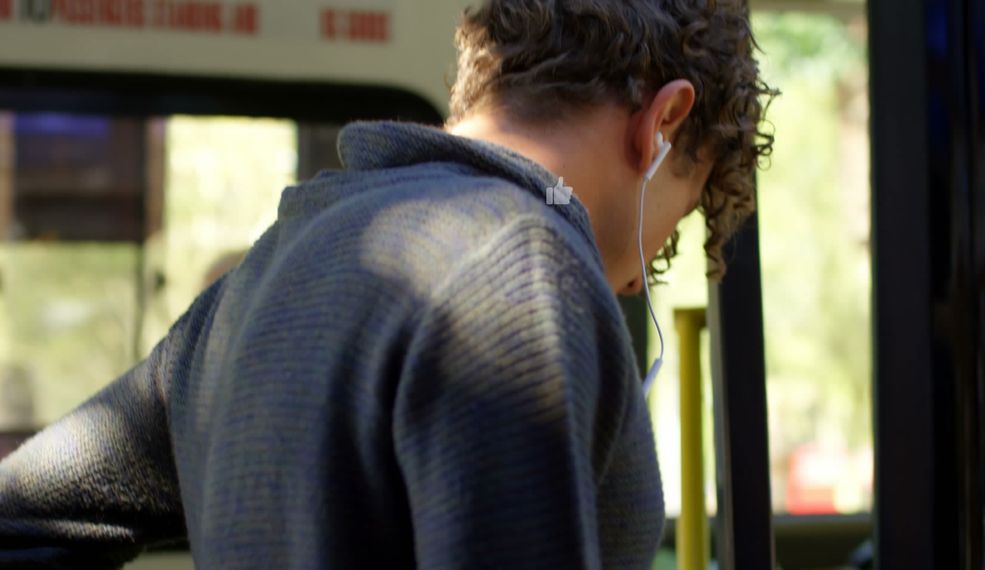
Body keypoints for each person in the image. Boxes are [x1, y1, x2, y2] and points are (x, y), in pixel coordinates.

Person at [0, 0, 773, 568]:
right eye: (679, 214)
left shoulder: (261, 277)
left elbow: (19, 520)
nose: (638, 280)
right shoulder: (518, 272)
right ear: (663, 121)